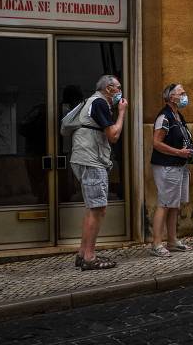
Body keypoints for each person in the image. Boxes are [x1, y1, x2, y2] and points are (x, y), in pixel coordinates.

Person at [71, 75, 127, 270]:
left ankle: (82, 253)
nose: (120, 91)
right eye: (118, 87)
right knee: (98, 209)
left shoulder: (91, 101)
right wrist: (121, 113)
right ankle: (89, 256)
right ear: (109, 88)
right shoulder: (100, 103)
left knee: (92, 208)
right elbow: (113, 135)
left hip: (84, 158)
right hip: (92, 160)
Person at [150, 83, 193, 258]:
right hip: (166, 166)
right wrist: (179, 152)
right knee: (165, 203)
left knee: (174, 204)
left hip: (179, 165)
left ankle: (172, 240)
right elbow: (156, 143)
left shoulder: (178, 116)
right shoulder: (165, 117)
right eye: (181, 93)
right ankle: (156, 244)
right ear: (171, 97)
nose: (185, 96)